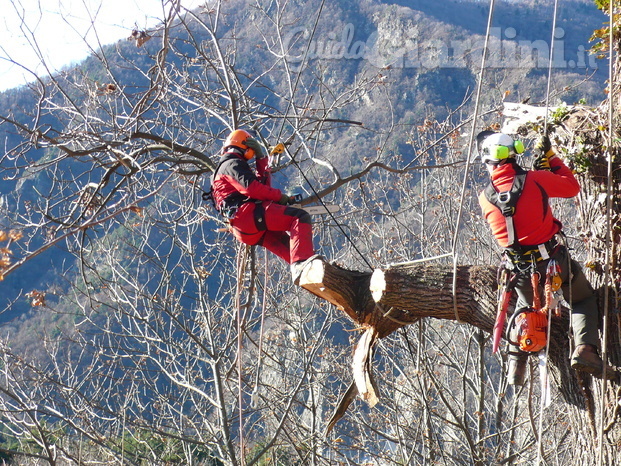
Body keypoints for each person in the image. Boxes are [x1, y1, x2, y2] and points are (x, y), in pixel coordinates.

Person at [476, 130, 614, 385]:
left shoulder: (485, 198)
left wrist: (540, 176)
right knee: (582, 299)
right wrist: (551, 161)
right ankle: (586, 350)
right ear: (514, 154)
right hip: (551, 263)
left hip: (517, 270)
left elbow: (516, 207)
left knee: (525, 307)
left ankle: (516, 361)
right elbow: (572, 188)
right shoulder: (536, 180)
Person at [210, 129, 319, 284]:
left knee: (287, 243)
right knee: (299, 217)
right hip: (248, 215)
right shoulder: (232, 164)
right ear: (245, 146)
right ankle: (303, 264)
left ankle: (310, 274)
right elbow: (253, 188)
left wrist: (262, 159)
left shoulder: (226, 167)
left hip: (244, 228)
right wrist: (280, 197)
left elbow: (261, 187)